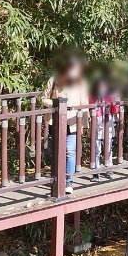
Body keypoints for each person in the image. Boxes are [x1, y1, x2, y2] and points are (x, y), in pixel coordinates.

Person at [42, 54, 90, 195]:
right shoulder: (54, 79)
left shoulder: (81, 82)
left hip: (73, 121)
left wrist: (84, 124)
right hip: (56, 121)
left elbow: (84, 105)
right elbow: (43, 99)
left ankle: (68, 181)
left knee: (70, 151)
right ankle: (57, 179)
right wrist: (57, 103)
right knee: (58, 151)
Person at [89, 73, 120, 182]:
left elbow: (116, 109)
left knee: (108, 147)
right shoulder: (92, 95)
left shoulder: (110, 94)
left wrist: (114, 102)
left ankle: (109, 168)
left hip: (108, 123)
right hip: (97, 123)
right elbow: (89, 109)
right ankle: (95, 172)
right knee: (97, 149)